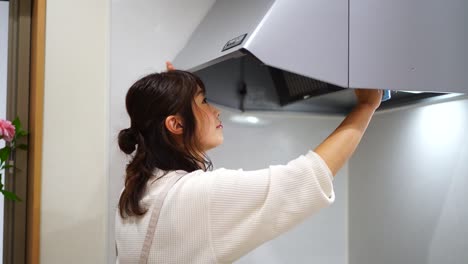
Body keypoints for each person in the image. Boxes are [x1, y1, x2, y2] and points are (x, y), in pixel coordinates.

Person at [115, 62, 382, 263]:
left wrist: (178, 93)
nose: (215, 109)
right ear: (176, 123)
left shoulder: (135, 192)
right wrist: (366, 106)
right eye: (203, 101)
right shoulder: (195, 195)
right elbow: (304, 179)